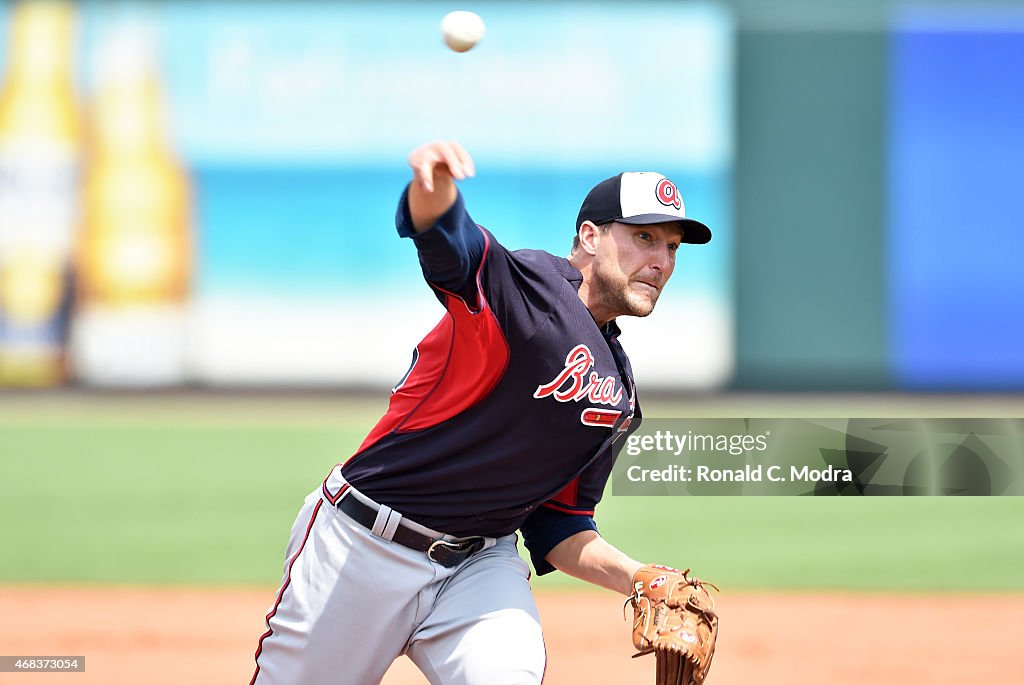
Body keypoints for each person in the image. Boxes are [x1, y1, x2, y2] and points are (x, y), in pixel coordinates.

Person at [250, 141, 712, 685]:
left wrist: (637, 576)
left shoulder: (620, 397)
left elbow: (557, 525)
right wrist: (433, 188)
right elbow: (452, 245)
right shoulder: (530, 290)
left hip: (479, 568)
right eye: (643, 237)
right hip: (363, 545)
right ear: (590, 237)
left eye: (672, 247)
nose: (660, 261)